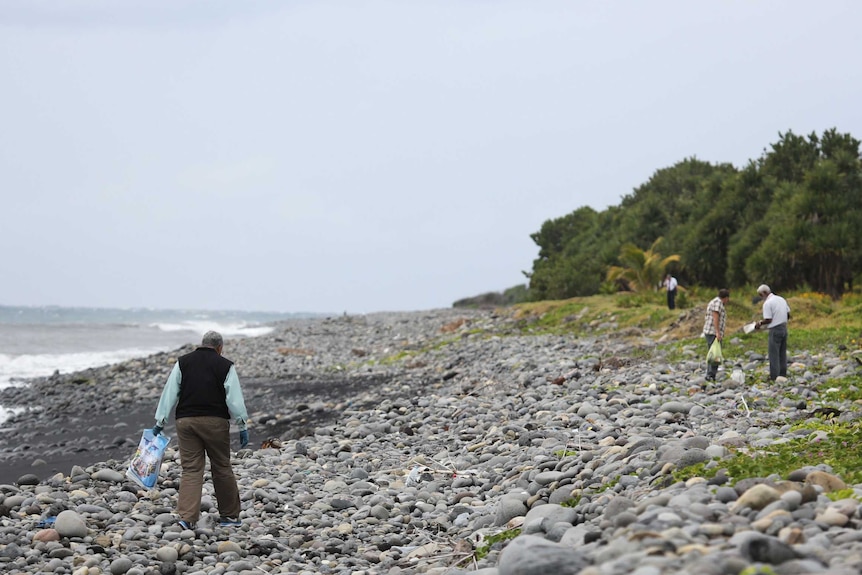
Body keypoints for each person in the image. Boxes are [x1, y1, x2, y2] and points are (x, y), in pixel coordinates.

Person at [152, 330, 250, 529]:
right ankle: (229, 517)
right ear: (219, 348)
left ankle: (187, 518)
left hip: (186, 422)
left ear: (202, 344)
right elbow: (234, 399)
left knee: (191, 469)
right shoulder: (225, 365)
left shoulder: (183, 362)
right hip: (215, 422)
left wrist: (160, 422)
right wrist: (242, 425)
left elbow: (170, 392)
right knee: (221, 466)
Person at [754, 284, 790, 380]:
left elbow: (768, 319)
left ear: (764, 293)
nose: (761, 298)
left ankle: (774, 376)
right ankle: (783, 374)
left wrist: (759, 323)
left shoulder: (768, 303)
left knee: (773, 354)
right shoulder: (781, 299)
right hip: (784, 327)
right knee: (782, 352)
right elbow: (788, 314)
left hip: (775, 329)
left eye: (761, 295)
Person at [702, 288, 729, 381]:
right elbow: (715, 317)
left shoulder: (715, 302)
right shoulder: (718, 303)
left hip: (712, 331)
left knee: (713, 353)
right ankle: (710, 375)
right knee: (714, 354)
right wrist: (717, 332)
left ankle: (711, 374)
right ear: (726, 298)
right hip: (713, 332)